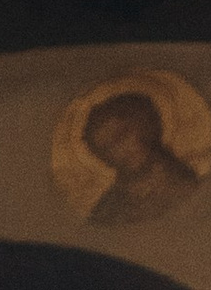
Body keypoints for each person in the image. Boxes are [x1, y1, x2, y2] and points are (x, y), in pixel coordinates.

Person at [81, 89, 202, 229]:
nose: (118, 150)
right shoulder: (107, 209)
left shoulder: (186, 180)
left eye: (121, 136)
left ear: (144, 125)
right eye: (107, 148)